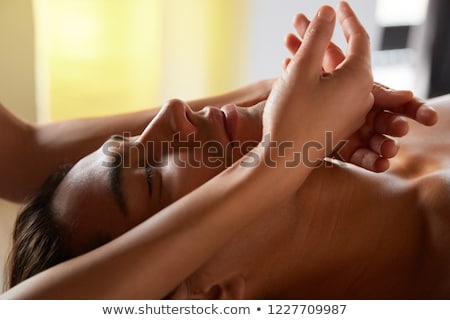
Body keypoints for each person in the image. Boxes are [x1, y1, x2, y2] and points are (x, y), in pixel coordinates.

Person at [3, 2, 447, 299]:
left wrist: (278, 106)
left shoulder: (411, 139)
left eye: (133, 139)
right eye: (152, 175)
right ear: (213, 295)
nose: (171, 111)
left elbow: (20, 155)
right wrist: (275, 159)